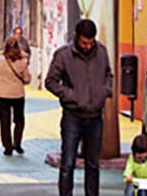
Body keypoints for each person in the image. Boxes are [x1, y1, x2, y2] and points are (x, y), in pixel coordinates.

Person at [45, 18, 113, 196]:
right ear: (76, 37)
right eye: (84, 42)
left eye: (91, 42)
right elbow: (50, 81)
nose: (88, 46)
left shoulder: (102, 52)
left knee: (93, 164)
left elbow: (108, 74)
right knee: (67, 163)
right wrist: (70, 95)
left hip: (95, 116)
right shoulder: (63, 55)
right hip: (72, 116)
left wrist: (105, 91)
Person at [0, 37, 31, 155]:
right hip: (18, 94)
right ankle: (17, 144)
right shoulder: (23, 61)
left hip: (2, 94)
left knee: (4, 121)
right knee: (19, 120)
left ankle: (7, 147)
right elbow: (27, 79)